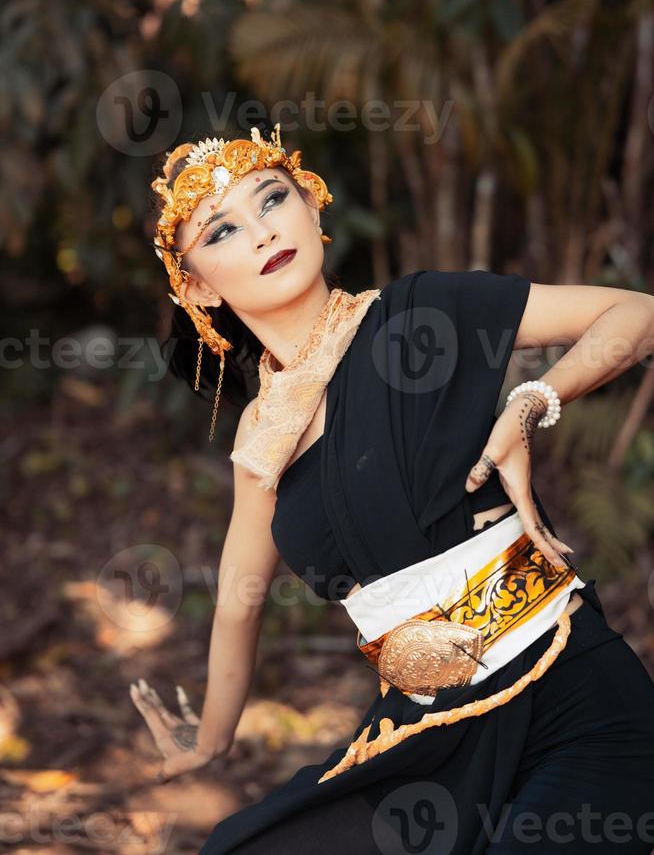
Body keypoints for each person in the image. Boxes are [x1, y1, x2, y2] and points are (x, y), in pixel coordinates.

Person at [131, 122, 654, 854]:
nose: (260, 234)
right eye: (221, 231)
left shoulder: (420, 316)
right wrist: (207, 741)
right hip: (429, 737)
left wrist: (531, 404)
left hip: (568, 693)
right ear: (196, 288)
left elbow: (636, 313)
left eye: (272, 199)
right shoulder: (260, 442)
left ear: (312, 210)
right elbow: (237, 602)